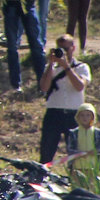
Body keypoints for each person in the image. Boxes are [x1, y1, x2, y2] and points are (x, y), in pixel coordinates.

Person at [38, 34, 90, 165]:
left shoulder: (81, 67)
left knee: (75, 155)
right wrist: (51, 64)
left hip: (74, 114)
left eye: (66, 49)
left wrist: (66, 66)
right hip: (53, 113)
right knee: (46, 152)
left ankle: (75, 179)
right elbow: (44, 87)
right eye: (59, 49)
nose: (63, 52)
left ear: (73, 48)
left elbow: (79, 86)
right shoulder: (51, 69)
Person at [2, 0, 47, 94]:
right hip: (11, 3)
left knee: (36, 45)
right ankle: (16, 85)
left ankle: (42, 84)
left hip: (29, 4)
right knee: (12, 45)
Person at [65, 103, 100, 176]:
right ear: (78, 117)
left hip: (93, 168)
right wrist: (80, 153)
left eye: (88, 115)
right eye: (82, 115)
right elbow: (69, 149)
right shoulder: (74, 133)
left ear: (92, 117)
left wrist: (95, 151)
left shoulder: (97, 133)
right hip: (77, 168)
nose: (85, 118)